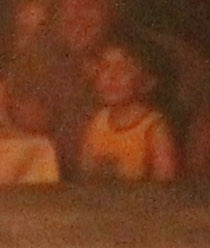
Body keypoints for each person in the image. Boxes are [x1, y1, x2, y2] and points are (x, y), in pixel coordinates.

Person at [8, 0, 210, 179]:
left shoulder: (157, 52)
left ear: (116, 8)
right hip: (63, 195)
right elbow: (18, 108)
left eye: (89, 4)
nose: (73, 17)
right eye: (64, 4)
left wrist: (196, 173)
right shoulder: (42, 56)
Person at [76, 43, 180, 182]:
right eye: (105, 68)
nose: (112, 77)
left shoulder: (153, 129)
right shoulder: (97, 121)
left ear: (147, 81)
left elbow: (165, 185)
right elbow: (85, 177)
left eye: (124, 69)